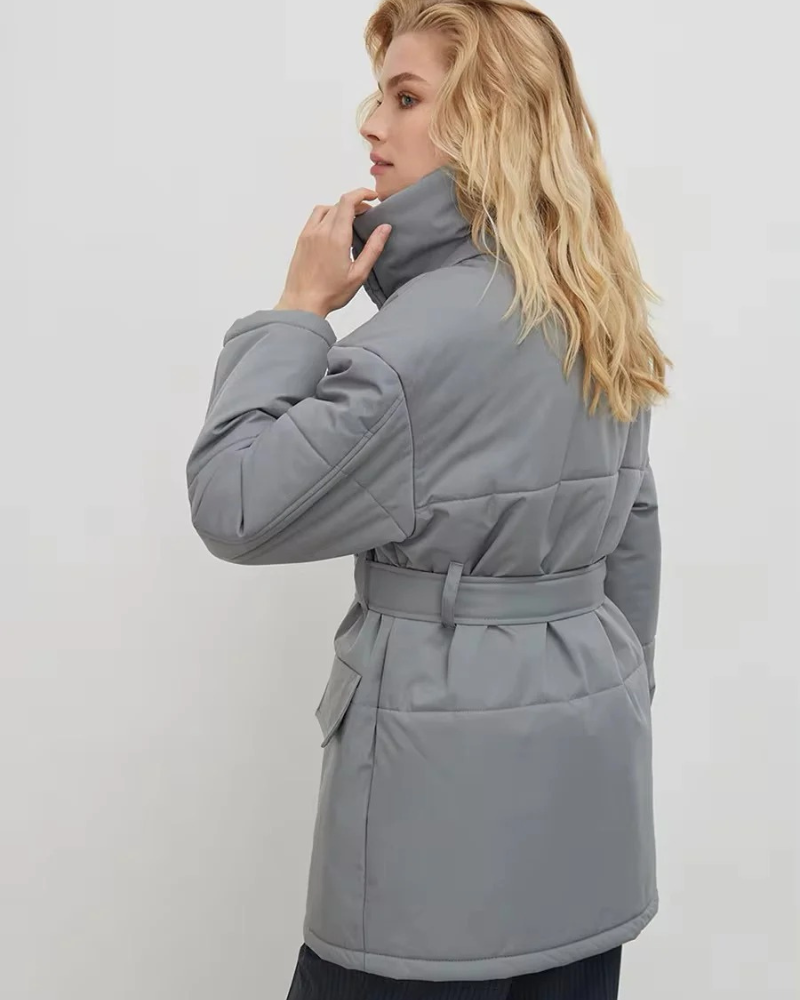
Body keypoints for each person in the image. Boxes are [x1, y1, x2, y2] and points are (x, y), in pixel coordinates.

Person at [185, 1, 672, 997]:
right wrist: (610, 702)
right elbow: (633, 534)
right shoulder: (593, 300)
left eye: (405, 98)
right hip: (590, 799)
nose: (370, 123)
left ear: (488, 119)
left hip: (431, 831)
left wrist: (296, 311)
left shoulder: (423, 341)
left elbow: (233, 501)